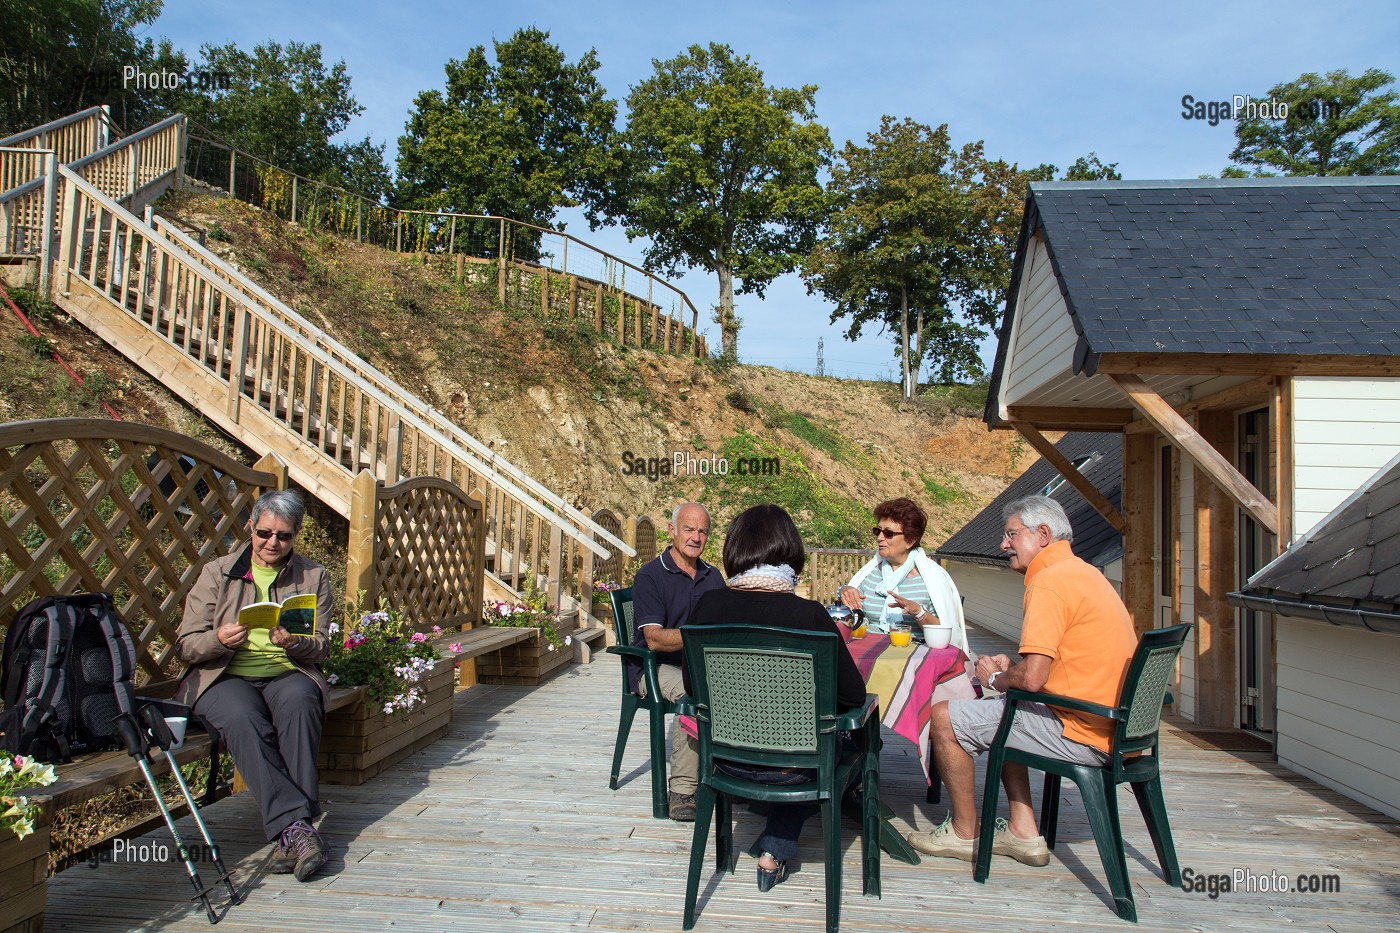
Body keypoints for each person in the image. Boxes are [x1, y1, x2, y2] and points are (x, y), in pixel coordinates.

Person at [907, 495, 1137, 867]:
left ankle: (965, 834)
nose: (1003, 544)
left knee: (944, 717)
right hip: (1114, 727)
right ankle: (1022, 829)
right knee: (1002, 708)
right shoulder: (1087, 573)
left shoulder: (1048, 581)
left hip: (1084, 733)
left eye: (1011, 534)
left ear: (1042, 534)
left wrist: (998, 676)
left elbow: (1031, 681)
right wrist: (1012, 671)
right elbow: (1049, 667)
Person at [685, 504, 867, 892]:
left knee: (796, 740)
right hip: (795, 769)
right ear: (790, 550)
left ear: (735, 550)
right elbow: (853, 696)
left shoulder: (707, 607)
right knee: (821, 739)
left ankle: (770, 848)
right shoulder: (810, 615)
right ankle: (776, 851)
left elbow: (690, 685)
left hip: (724, 761)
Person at [174, 489, 334, 881]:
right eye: (264, 533)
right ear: (251, 527)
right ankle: (298, 829)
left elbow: (323, 646)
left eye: (283, 536)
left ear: (296, 534)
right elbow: (185, 644)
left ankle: (289, 835)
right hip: (224, 676)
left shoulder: (312, 576)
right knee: (244, 716)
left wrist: (296, 642)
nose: (272, 543)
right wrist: (217, 640)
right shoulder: (218, 572)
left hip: (286, 671)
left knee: (300, 702)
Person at [629, 501, 726, 821]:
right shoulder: (651, 576)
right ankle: (682, 790)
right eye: (688, 529)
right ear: (671, 530)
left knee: (743, 685)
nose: (696, 537)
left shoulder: (713, 577)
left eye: (703, 531)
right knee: (694, 695)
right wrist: (699, 636)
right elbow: (654, 639)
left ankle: (733, 772)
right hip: (652, 667)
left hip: (699, 664)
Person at [837, 497, 969, 653]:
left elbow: (945, 632)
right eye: (877, 531)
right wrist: (844, 590)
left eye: (888, 533)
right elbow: (847, 611)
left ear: (910, 540)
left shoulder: (931, 579)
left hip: (914, 659)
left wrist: (918, 612)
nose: (880, 538)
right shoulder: (869, 573)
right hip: (868, 654)